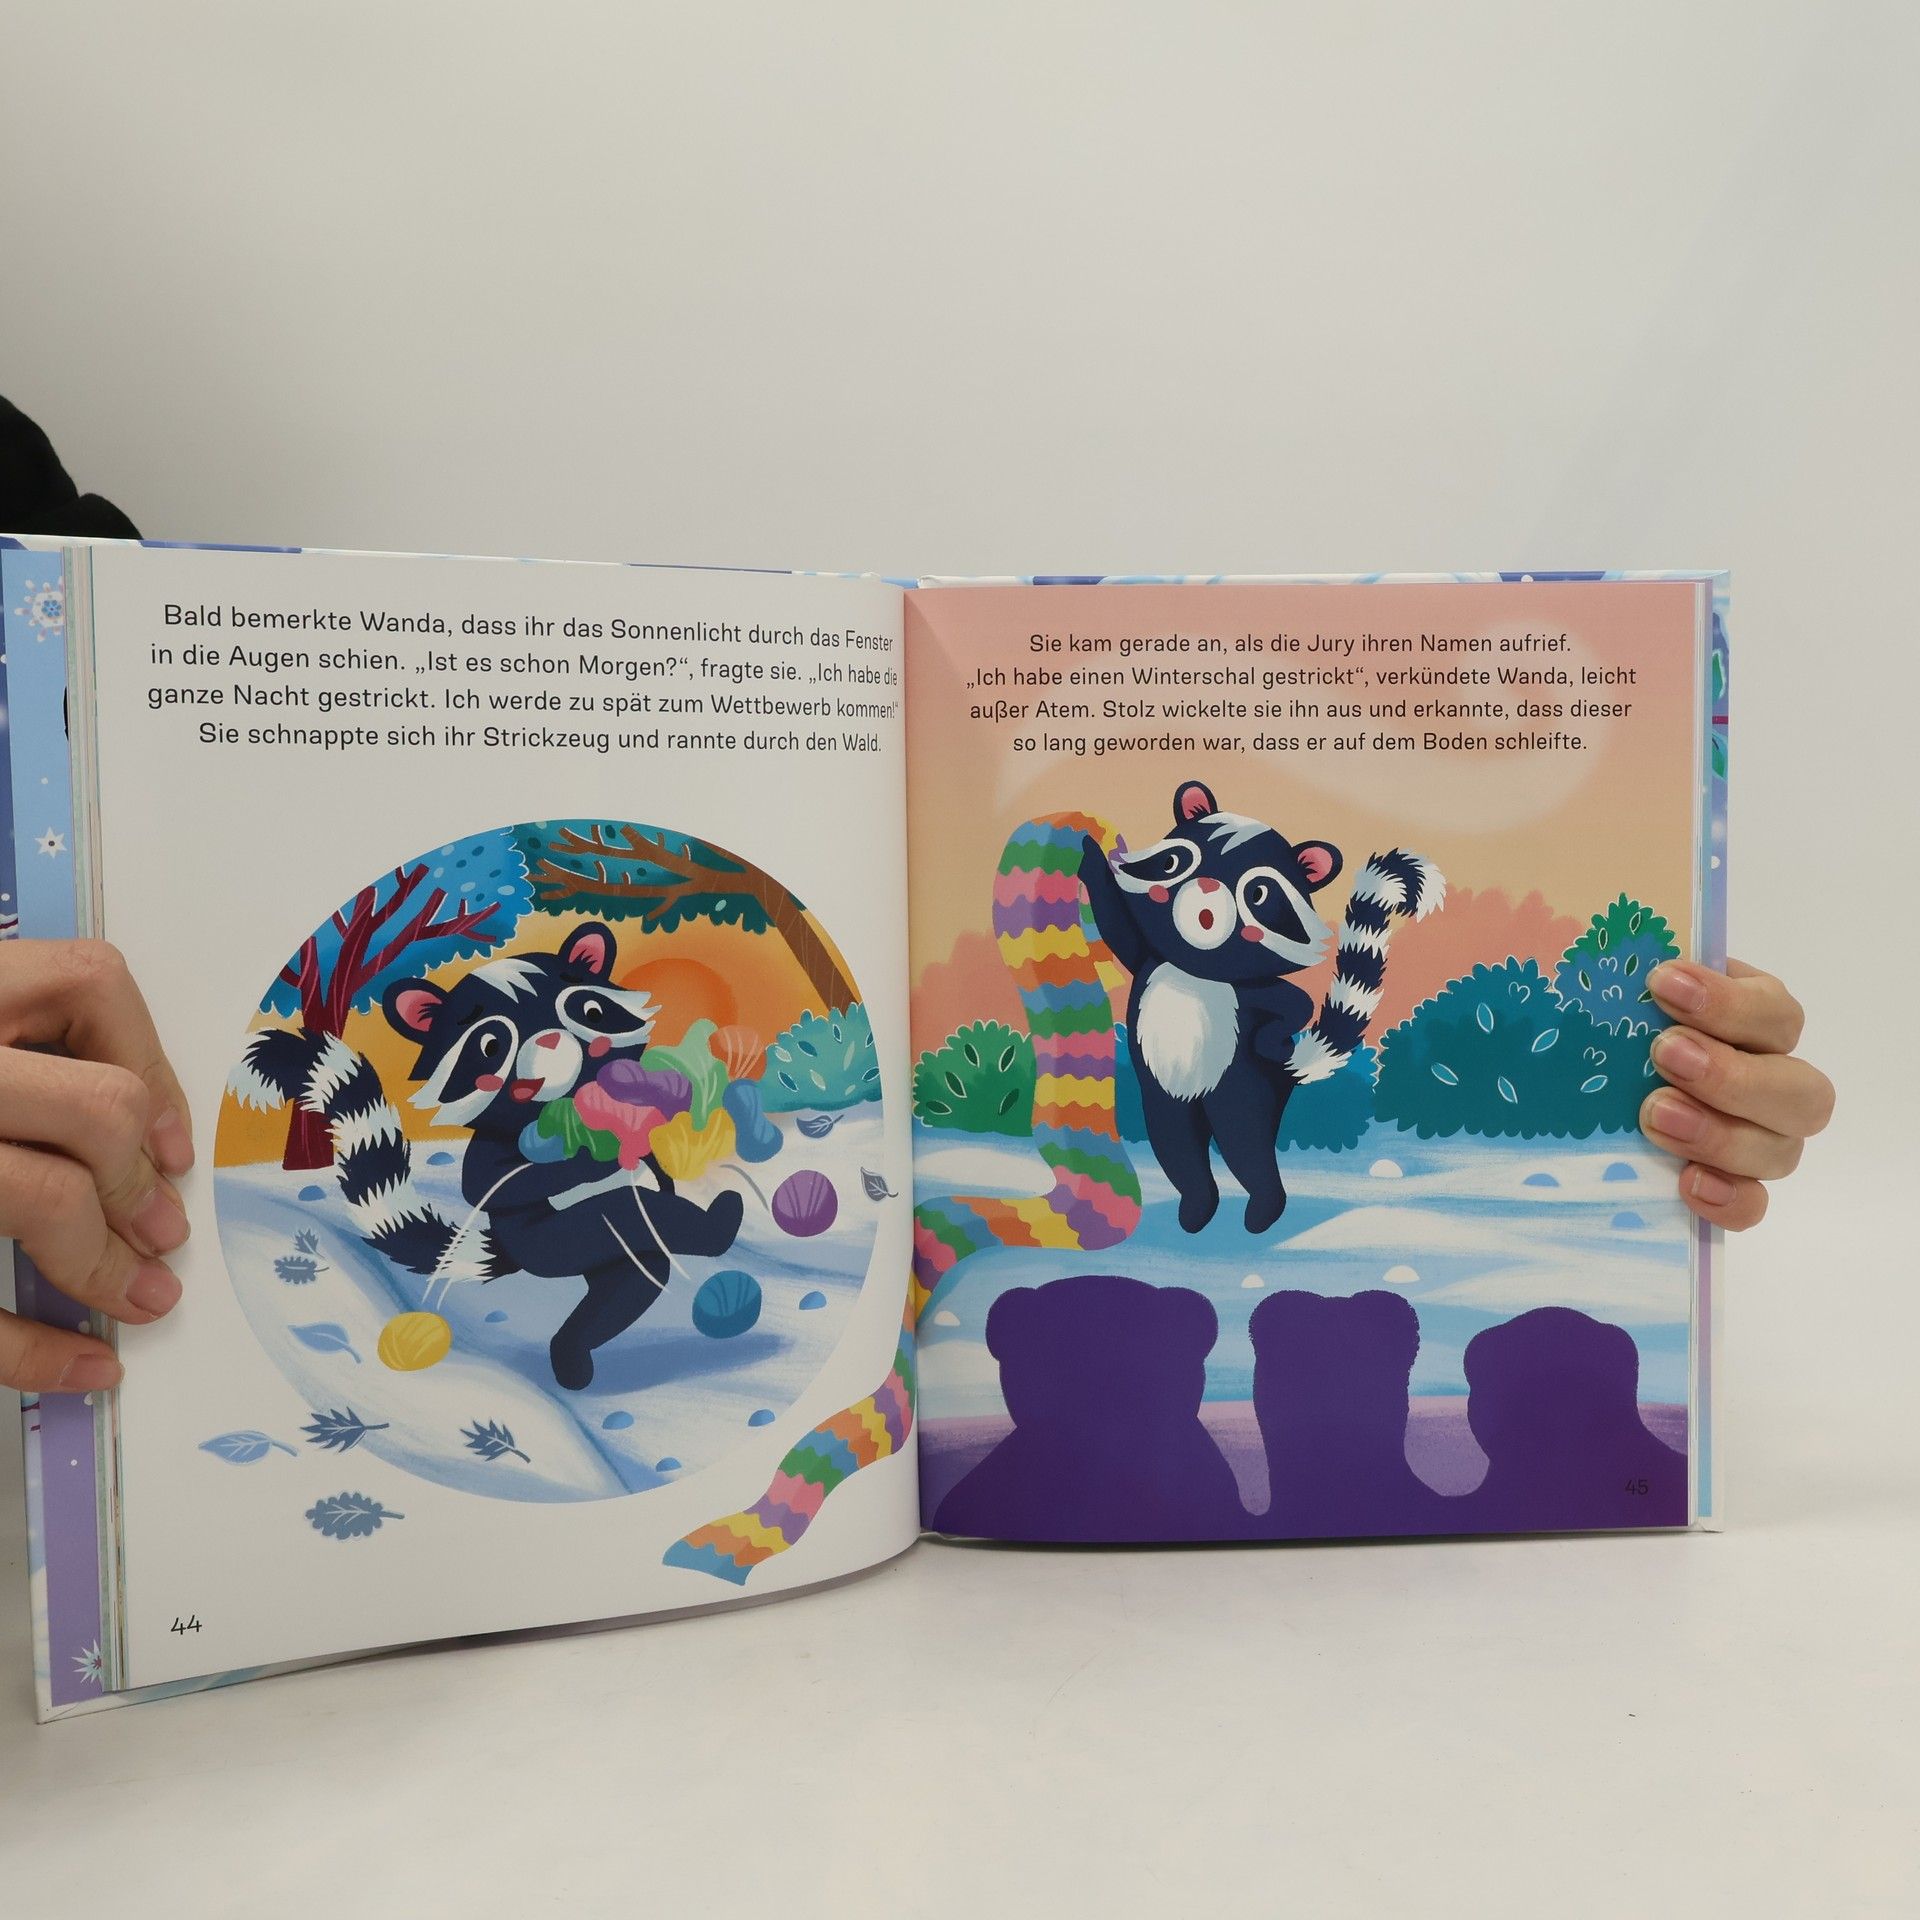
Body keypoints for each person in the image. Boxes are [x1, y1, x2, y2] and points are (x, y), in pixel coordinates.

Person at [0, 403, 1838, 1395]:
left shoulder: (54, 549)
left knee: (1224, 1137)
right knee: (633, 1219)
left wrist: (1638, 1080)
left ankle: (1208, 1188)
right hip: (234, 1336)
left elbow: (153, 844)